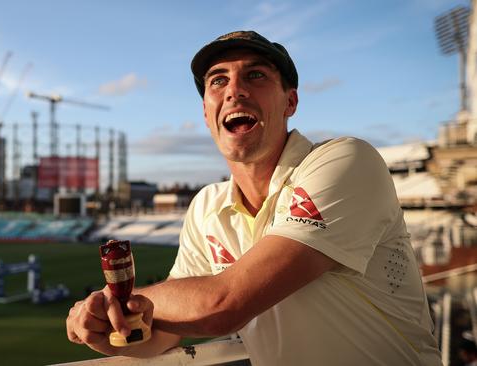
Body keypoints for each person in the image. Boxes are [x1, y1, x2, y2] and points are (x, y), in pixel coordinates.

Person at [66, 30, 443, 365]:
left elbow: (223, 304)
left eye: (255, 75)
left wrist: (121, 300)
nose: (234, 90)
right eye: (217, 81)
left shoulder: (346, 161)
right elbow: (166, 333)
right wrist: (106, 327)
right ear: (206, 113)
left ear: (290, 102)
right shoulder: (206, 206)